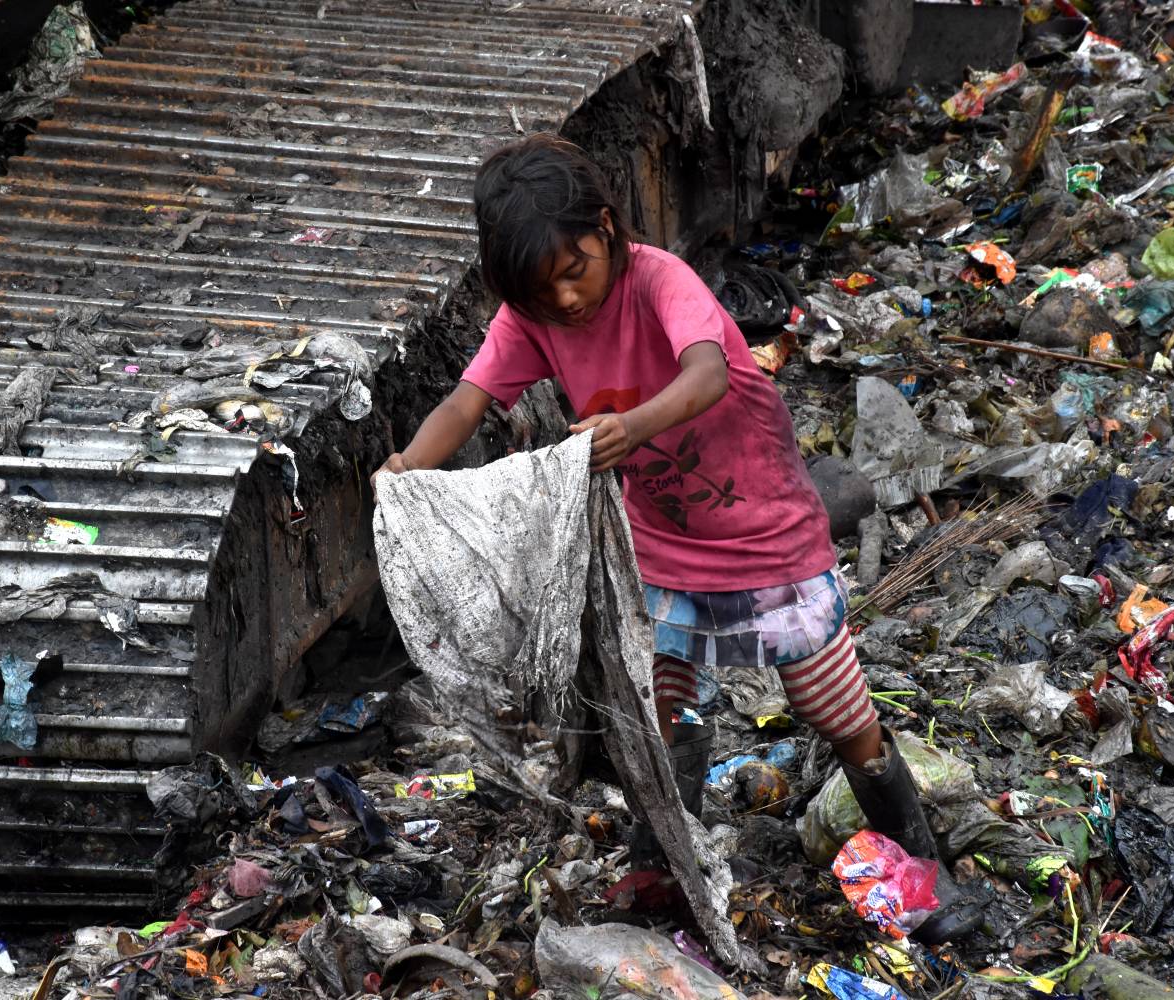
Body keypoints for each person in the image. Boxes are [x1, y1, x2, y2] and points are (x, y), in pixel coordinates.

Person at [373, 134, 978, 943]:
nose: (568, 299)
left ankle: (917, 865)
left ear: (608, 228)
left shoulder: (662, 280)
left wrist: (630, 426)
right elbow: (466, 400)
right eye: (543, 290)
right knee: (666, 706)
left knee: (829, 705)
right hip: (660, 542)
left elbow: (708, 374)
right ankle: (667, 863)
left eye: (576, 270)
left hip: (765, 526)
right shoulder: (534, 316)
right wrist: (407, 469)